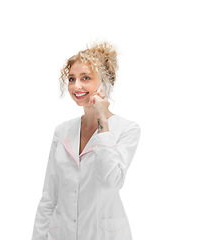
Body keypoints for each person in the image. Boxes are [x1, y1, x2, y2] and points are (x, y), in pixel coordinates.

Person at [31, 42, 141, 240]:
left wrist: (102, 123)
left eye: (86, 78)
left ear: (104, 82)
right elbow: (49, 197)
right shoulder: (62, 131)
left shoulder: (127, 129)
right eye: (72, 79)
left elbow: (110, 181)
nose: (76, 86)